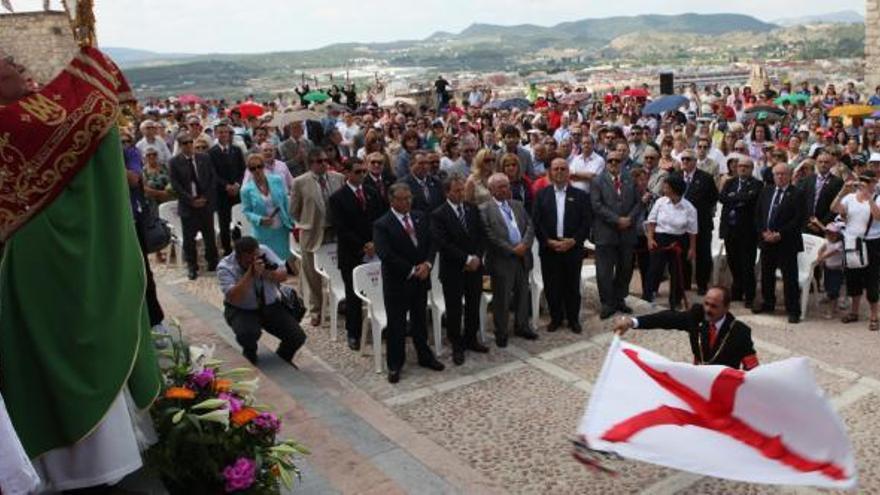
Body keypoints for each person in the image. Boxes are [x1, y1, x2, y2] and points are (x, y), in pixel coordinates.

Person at [0, 48, 161, 491]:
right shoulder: (14, 126)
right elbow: (88, 119)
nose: (30, 78)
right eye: (15, 71)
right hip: (40, 261)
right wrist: (87, 64)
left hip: (40, 260)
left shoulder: (27, 121)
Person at [373, 183, 445, 383]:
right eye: (402, 199)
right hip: (398, 282)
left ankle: (424, 355)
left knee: (420, 319)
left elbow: (432, 242)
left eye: (409, 198)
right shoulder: (382, 224)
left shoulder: (420, 217)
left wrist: (428, 264)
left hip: (421, 279)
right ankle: (395, 364)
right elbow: (386, 254)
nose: (406, 202)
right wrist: (412, 269)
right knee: (396, 324)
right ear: (392, 200)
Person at [613, 286, 760, 370]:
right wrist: (632, 322)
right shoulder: (697, 316)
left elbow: (752, 369)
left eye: (714, 306)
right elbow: (666, 319)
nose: (707, 309)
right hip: (697, 382)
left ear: (726, 308)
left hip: (722, 389)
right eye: (706, 303)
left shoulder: (739, 332)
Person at [218, 236, 307, 366]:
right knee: (247, 334)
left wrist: (266, 272)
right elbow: (234, 296)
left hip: (270, 305)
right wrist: (250, 273)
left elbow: (283, 276)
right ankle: (250, 352)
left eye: (256, 255)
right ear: (239, 257)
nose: (255, 260)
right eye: (249, 259)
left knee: (297, 337)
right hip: (242, 309)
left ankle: (283, 358)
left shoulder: (264, 251)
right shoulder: (225, 267)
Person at [430, 176, 490, 365]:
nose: (461, 194)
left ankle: (471, 338)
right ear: (447, 193)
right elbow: (443, 243)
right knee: (454, 308)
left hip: (474, 267)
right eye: (456, 191)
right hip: (453, 269)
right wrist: (466, 258)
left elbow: (482, 234)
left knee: (473, 304)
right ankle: (457, 344)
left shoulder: (471, 209)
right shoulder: (439, 214)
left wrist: (478, 257)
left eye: (462, 190)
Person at [329, 158, 385, 350]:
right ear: (347, 173)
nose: (362, 175)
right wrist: (363, 245)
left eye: (363, 171)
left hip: (374, 249)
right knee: (353, 296)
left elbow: (380, 219)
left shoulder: (371, 192)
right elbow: (342, 229)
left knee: (380, 289)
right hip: (352, 253)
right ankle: (353, 333)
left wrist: (376, 242)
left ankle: (381, 325)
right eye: (357, 172)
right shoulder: (337, 198)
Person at [532, 158, 592, 333]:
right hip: (549, 247)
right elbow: (536, 222)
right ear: (550, 172)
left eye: (563, 169)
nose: (559, 172)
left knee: (572, 285)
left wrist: (573, 241)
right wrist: (548, 241)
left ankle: (573, 319)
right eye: (555, 168)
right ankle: (556, 318)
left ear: (568, 173)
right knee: (552, 285)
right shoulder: (542, 195)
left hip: (572, 247)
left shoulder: (581, 196)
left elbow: (586, 223)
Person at [480, 173, 538, 347]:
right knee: (502, 298)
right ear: (491, 190)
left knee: (522, 294)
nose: (506, 189)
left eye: (507, 185)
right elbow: (489, 236)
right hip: (502, 260)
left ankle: (522, 326)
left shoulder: (518, 205)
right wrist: (512, 249)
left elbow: (529, 225)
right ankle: (501, 331)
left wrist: (524, 245)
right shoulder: (484, 209)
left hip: (522, 257)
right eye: (500, 187)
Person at [290, 149, 345, 326]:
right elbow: (294, 210)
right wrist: (308, 221)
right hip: (312, 232)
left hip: (334, 232)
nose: (324, 164)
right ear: (311, 163)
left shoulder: (338, 178)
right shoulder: (300, 182)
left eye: (325, 160)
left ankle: (341, 303)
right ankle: (316, 310)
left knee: (337, 270)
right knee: (312, 275)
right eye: (319, 161)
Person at [591, 151, 642, 319]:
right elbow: (597, 205)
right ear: (606, 162)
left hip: (627, 232)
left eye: (617, 160)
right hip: (606, 232)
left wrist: (629, 219)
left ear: (622, 162)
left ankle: (620, 299)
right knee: (604, 271)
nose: (614, 163)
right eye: (610, 160)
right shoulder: (598, 181)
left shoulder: (630, 179)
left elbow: (638, 202)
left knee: (625, 268)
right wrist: (617, 220)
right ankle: (607, 303)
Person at [753, 164, 806, 323]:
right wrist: (763, 232)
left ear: (790, 175)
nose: (780, 177)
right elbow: (758, 214)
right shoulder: (766, 191)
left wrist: (780, 234)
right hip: (767, 240)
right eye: (777, 174)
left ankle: (793, 310)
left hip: (787, 242)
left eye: (783, 174)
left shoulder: (797, 194)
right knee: (767, 274)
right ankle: (768, 303)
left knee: (789, 277)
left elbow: (799, 219)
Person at [831, 171, 880, 330]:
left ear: (874, 183)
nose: (864, 183)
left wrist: (869, 197)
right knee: (853, 278)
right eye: (862, 180)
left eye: (868, 181)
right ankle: (854, 311)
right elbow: (835, 209)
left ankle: (874, 316)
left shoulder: (878, 198)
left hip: (871, 243)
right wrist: (842, 192)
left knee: (871, 280)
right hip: (851, 242)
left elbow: (878, 216)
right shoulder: (850, 198)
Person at [169, 132, 219, 280]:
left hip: (205, 204)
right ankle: (192, 266)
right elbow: (175, 185)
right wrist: (191, 200)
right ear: (180, 145)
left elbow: (212, 178)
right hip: (188, 206)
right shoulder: (174, 162)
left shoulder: (204, 157)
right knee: (189, 238)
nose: (189, 145)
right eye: (185, 143)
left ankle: (213, 262)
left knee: (209, 235)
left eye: (191, 142)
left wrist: (205, 198)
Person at [644, 176, 698, 309]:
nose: (664, 189)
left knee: (677, 271)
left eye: (666, 187)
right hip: (660, 238)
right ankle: (648, 296)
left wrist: (692, 248)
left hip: (679, 240)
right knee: (655, 269)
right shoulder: (660, 202)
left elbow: (692, 231)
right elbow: (652, 221)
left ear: (674, 189)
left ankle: (675, 300)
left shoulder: (689, 208)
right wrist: (650, 239)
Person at [718, 157, 763, 306]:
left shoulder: (757, 184)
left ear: (751, 169)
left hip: (747, 231)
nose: (742, 168)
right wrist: (738, 199)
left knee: (747, 264)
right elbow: (722, 198)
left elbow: (750, 198)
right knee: (733, 262)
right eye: (740, 166)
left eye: (746, 166)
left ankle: (749, 295)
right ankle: (737, 291)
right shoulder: (730, 182)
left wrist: (734, 198)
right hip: (730, 229)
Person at [677, 149, 719, 295]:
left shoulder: (706, 178)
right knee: (682, 254)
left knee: (703, 255)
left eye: (688, 159)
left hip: (701, 222)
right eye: (683, 159)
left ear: (695, 161)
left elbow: (714, 197)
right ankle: (685, 283)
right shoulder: (676, 176)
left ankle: (702, 284)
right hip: (680, 224)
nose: (685, 162)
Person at [240, 153, 294, 261]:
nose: (257, 170)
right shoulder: (246, 190)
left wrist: (291, 220)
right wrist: (260, 219)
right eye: (252, 168)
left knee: (287, 261)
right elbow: (246, 212)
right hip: (263, 232)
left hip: (282, 228)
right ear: (249, 170)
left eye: (259, 166)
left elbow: (285, 201)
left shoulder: (277, 180)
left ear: (264, 166)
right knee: (269, 264)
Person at [209, 122, 246, 255]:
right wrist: (226, 186)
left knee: (238, 221)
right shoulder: (211, 152)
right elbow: (213, 174)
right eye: (220, 132)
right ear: (216, 134)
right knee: (224, 223)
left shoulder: (236, 150)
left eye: (226, 132)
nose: (223, 134)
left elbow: (243, 170)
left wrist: (237, 184)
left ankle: (240, 247)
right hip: (222, 194)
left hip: (237, 192)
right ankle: (227, 250)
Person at [801, 150, 844, 235]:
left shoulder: (837, 182)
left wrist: (820, 224)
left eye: (826, 162)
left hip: (825, 227)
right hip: (806, 226)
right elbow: (802, 202)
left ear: (831, 164)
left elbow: (835, 207)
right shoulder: (807, 180)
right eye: (820, 162)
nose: (823, 165)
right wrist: (808, 222)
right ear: (816, 163)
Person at [816, 223, 845, 319]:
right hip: (828, 269)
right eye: (828, 234)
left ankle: (830, 311)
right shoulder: (827, 242)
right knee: (829, 289)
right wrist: (820, 256)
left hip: (837, 270)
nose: (830, 236)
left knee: (833, 291)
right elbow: (821, 249)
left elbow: (831, 253)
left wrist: (822, 257)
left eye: (832, 234)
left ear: (837, 234)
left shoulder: (839, 245)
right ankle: (834, 308)